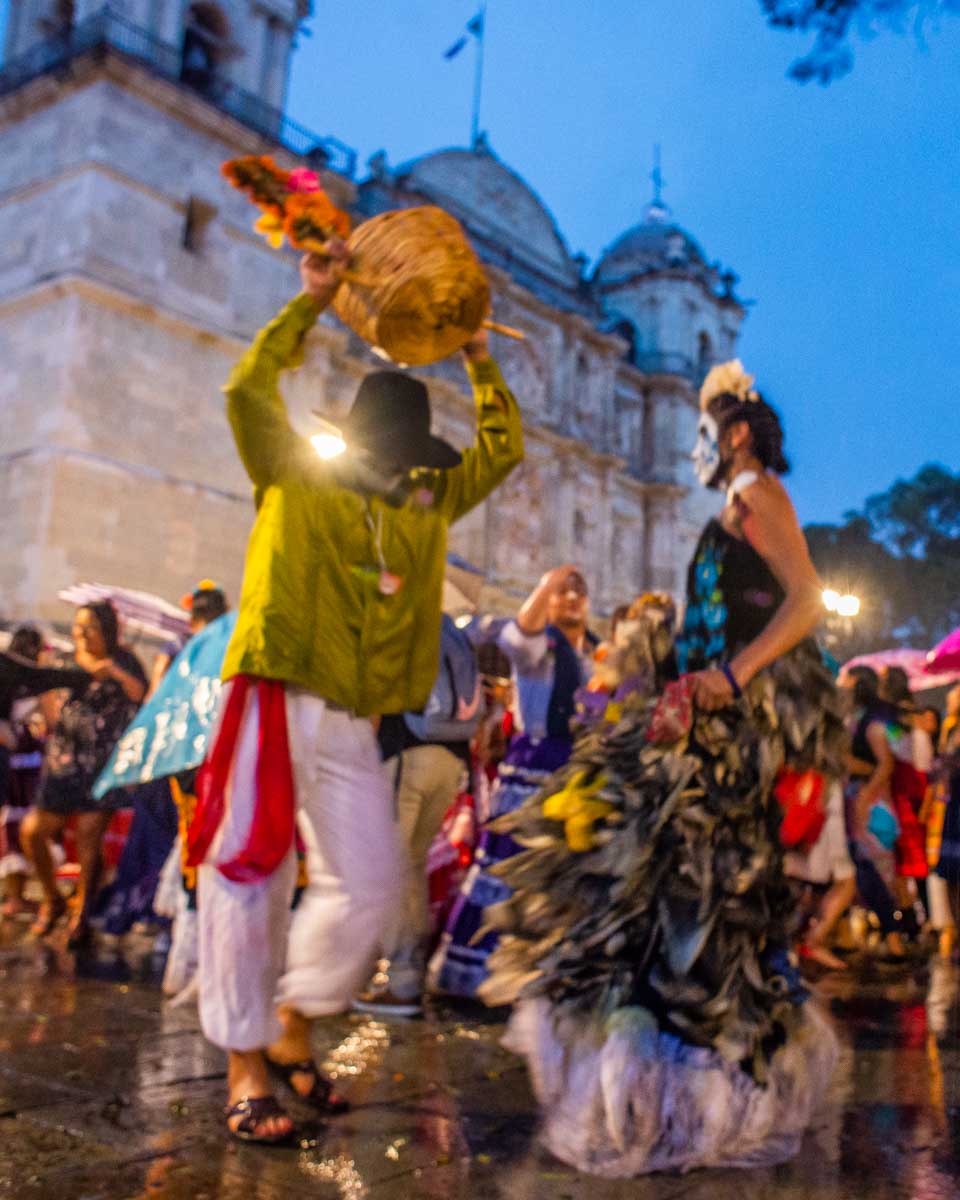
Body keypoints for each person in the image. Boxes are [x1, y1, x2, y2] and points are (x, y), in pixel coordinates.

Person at [187, 248, 523, 1144]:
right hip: (272, 687)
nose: (408, 471)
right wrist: (312, 303)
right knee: (249, 875)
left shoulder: (426, 505)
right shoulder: (294, 468)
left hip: (350, 715)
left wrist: (478, 355)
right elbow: (246, 388)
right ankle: (245, 1067)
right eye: (397, 455)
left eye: (416, 461)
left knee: (373, 885)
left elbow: (504, 448)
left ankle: (293, 1019)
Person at [477, 359, 846, 1175]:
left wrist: (730, 676)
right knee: (667, 888)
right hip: (701, 728)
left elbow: (808, 599)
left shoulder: (757, 494)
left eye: (707, 427)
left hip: (733, 733)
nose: (696, 445)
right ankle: (661, 1089)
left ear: (738, 430)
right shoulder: (730, 504)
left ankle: (696, 1093)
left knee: (702, 895)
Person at [429, 565, 596, 999]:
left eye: (579, 590)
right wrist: (547, 584)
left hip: (575, 782)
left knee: (560, 882)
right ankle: (482, 977)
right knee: (511, 873)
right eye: (563, 592)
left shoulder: (592, 657)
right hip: (533, 776)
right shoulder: (540, 651)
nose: (572, 597)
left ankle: (542, 977)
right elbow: (519, 634)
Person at [354, 613, 481, 1017]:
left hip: (404, 757)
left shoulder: (395, 625)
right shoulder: (445, 628)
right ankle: (405, 972)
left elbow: (373, 704)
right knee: (408, 866)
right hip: (448, 759)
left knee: (385, 867)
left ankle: (400, 980)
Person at [21, 602, 147, 948]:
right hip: (63, 763)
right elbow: (46, 702)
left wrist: (114, 673)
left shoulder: (124, 661)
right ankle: (53, 898)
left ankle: (82, 913)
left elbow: (142, 695)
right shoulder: (63, 660)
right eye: (78, 626)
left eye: (89, 627)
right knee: (33, 832)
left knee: (89, 841)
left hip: (101, 766)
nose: (80, 633)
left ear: (106, 630)